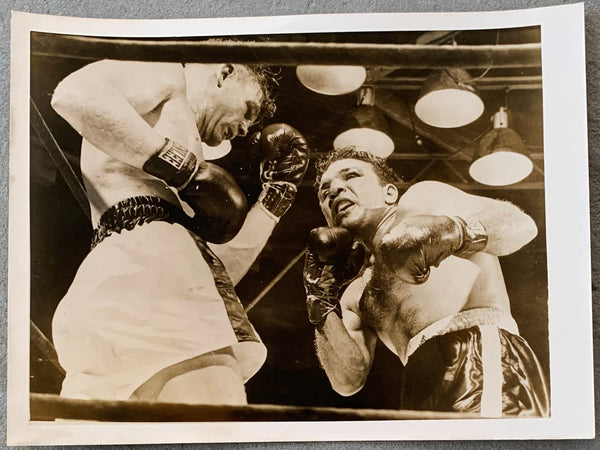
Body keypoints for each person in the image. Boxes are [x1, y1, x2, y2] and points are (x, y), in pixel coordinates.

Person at [49, 57, 309, 405]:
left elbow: (212, 276)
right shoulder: (168, 72)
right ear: (225, 73)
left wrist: (276, 199)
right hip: (146, 271)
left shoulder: (174, 176)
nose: (247, 127)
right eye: (249, 109)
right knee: (219, 432)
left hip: (125, 279)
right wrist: (181, 167)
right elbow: (73, 94)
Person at [303, 146, 549, 417]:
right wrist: (319, 301)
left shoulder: (423, 200)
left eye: (351, 176)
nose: (335, 190)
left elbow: (522, 224)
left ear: (389, 193)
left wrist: (454, 231)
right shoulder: (356, 294)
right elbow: (348, 380)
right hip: (416, 380)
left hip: (478, 354)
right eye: (325, 193)